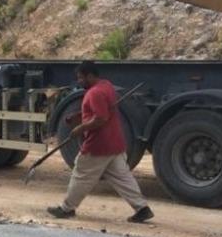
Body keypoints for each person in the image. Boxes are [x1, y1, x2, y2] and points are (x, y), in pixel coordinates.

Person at [48, 61, 154, 223]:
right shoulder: (107, 86)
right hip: (115, 143)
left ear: (90, 76)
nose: (79, 81)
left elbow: (100, 119)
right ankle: (142, 208)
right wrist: (78, 116)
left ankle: (67, 208)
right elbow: (102, 110)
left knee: (81, 174)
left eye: (81, 78)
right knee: (123, 178)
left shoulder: (94, 93)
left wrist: (80, 129)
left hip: (98, 144)